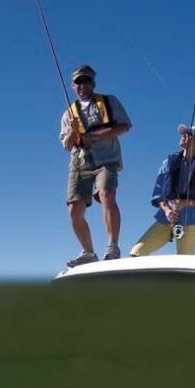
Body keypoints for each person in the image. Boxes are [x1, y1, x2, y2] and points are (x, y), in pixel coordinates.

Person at [59, 64, 131, 266]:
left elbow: (125, 125)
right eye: (78, 82)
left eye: (86, 80)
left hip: (106, 159)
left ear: (93, 83)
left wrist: (95, 135)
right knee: (74, 209)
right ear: (72, 86)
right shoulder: (68, 114)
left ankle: (112, 247)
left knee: (107, 194)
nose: (82, 85)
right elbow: (67, 144)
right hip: (80, 161)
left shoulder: (108, 102)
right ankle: (89, 252)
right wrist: (73, 132)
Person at [130, 124, 195, 256]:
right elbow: (158, 195)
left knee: (184, 263)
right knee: (136, 253)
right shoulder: (167, 163)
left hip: (190, 223)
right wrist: (168, 210)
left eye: (189, 135)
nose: (184, 135)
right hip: (165, 220)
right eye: (184, 133)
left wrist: (185, 203)